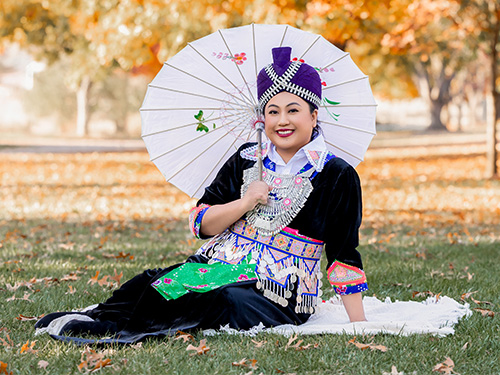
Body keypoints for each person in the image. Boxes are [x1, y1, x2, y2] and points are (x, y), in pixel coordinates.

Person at [35, 46, 367, 345]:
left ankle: (122, 331)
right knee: (154, 282)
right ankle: (105, 317)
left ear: (313, 114)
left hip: (281, 290)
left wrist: (358, 324)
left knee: (220, 300)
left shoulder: (336, 175)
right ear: (262, 116)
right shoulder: (246, 158)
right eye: (272, 111)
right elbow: (201, 223)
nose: (282, 121)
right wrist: (245, 202)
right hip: (219, 266)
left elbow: (344, 254)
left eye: (293, 110)